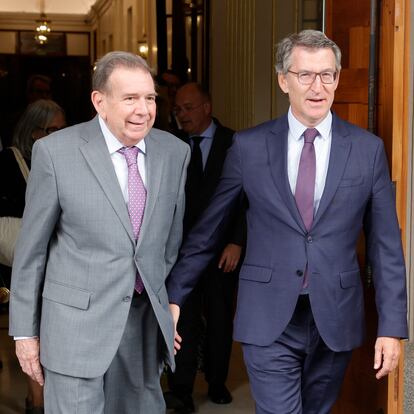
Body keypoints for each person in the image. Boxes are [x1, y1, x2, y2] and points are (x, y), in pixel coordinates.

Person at [167, 30, 408, 414]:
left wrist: (392, 326)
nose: (318, 86)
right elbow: (209, 230)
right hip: (268, 314)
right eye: (305, 75)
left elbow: (385, 245)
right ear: (283, 80)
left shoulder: (367, 150)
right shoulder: (247, 147)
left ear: (338, 78)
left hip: (335, 314)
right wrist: (176, 294)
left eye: (327, 75)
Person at [9, 51, 190, 414]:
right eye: (130, 98)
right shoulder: (55, 153)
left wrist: (166, 303)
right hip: (75, 329)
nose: (143, 109)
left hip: (143, 327)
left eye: (150, 98)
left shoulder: (175, 152)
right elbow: (31, 254)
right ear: (99, 101)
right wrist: (25, 334)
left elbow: (169, 244)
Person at [165, 83, 245, 413]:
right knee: (181, 321)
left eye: (188, 108)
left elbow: (246, 197)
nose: (182, 115)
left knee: (219, 317)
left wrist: (237, 241)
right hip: (180, 251)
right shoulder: (170, 145)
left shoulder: (235, 143)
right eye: (178, 110)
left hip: (221, 251)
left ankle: (216, 381)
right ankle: (180, 389)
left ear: (206, 107)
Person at [0, 99, 66, 414]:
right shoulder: (8, 162)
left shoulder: (66, 159)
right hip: (23, 261)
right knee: (30, 330)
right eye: (54, 129)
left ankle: (42, 398)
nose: (60, 135)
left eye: (63, 129)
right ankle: (36, 401)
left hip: (58, 259)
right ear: (35, 130)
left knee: (53, 330)